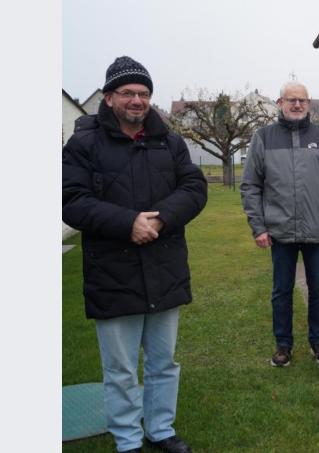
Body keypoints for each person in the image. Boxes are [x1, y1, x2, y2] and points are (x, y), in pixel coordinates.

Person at [62, 56, 207, 453]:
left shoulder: (171, 142)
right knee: (121, 369)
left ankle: (160, 430)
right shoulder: (83, 145)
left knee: (164, 363)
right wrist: (128, 223)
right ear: (109, 98)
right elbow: (71, 201)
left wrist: (159, 221)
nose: (137, 100)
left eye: (143, 93)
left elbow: (194, 189)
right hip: (113, 273)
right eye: (128, 93)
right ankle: (127, 439)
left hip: (164, 268)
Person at [240, 81, 319, 367]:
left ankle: (318, 341)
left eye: (302, 100)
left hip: (317, 230)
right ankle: (283, 345)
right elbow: (250, 185)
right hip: (280, 231)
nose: (297, 105)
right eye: (291, 100)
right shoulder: (263, 138)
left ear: (309, 103)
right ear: (280, 103)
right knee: (281, 291)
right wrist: (259, 227)